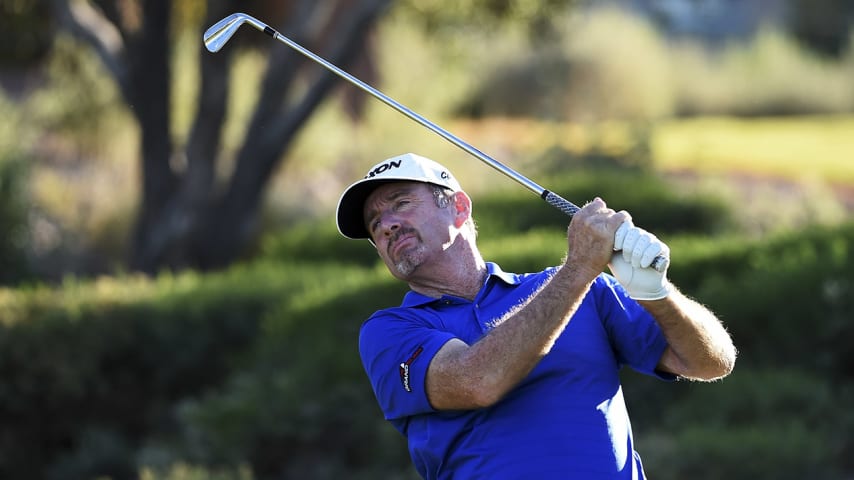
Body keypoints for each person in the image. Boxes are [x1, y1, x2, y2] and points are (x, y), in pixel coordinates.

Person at [336, 152, 736, 480]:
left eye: (401, 203)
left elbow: (712, 361)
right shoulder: (389, 332)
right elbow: (478, 380)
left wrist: (658, 294)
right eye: (375, 223)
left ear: (458, 208)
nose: (386, 225)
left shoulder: (587, 291)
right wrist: (578, 268)